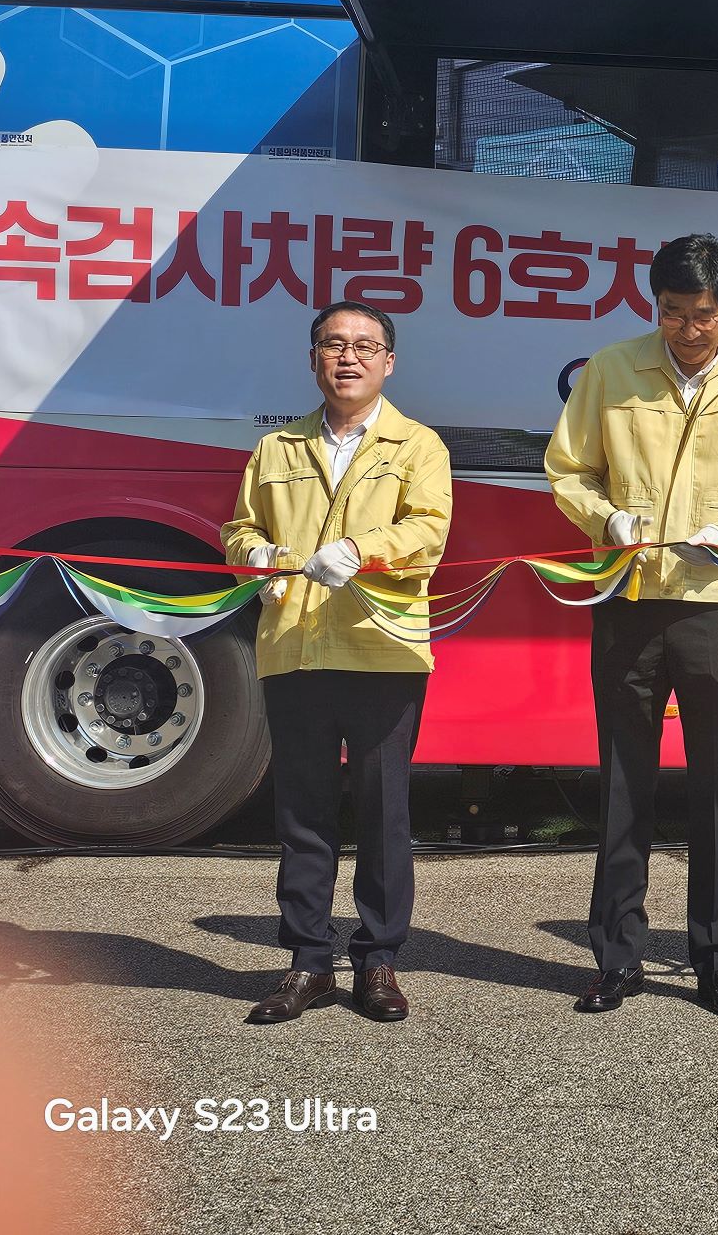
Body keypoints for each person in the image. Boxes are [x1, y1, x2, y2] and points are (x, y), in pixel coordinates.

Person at [545, 232, 718, 1018]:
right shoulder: (611, 370)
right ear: (653, 304)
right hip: (629, 597)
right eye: (671, 312)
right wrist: (608, 519)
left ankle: (715, 959)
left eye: (703, 314)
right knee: (623, 780)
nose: (688, 330)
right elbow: (568, 469)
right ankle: (616, 958)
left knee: (716, 784)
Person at [223, 301, 452, 1025]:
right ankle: (308, 962)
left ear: (389, 362)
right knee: (303, 814)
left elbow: (430, 531)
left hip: (383, 650)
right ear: (313, 359)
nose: (348, 357)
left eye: (365, 346)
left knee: (384, 814)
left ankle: (378, 960)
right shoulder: (276, 448)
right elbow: (239, 529)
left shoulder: (418, 445)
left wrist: (360, 549)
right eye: (333, 344)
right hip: (295, 648)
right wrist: (255, 553)